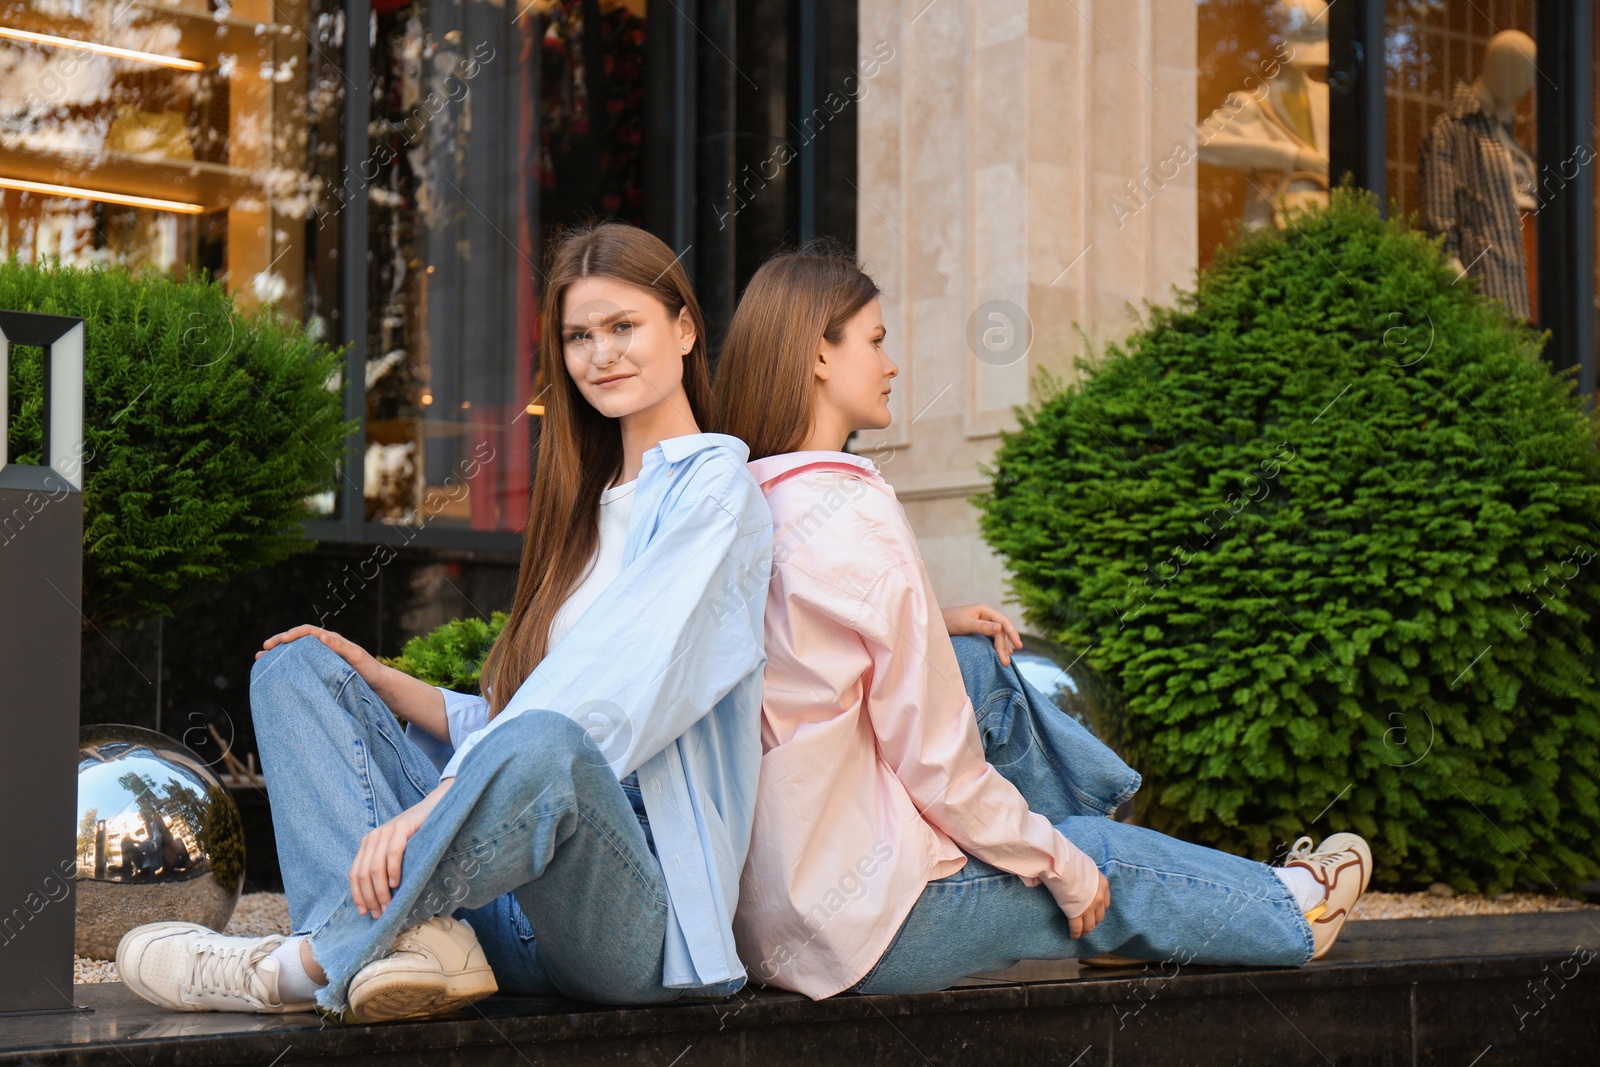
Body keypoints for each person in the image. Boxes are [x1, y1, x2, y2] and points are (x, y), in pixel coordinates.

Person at [115, 223, 773, 1021]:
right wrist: (385, 682)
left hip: (627, 917)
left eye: (623, 326)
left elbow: (609, 696)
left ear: (684, 327)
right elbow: (514, 715)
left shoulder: (717, 491)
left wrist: (444, 796)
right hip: (499, 903)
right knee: (295, 669)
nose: (602, 354)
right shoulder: (581, 512)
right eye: (578, 336)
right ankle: (413, 949)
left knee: (548, 745)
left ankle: (307, 963)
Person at [712, 249, 1372, 999]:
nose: (892, 363)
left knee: (975, 665)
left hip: (770, 912)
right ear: (819, 355)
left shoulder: (748, 499)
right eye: (875, 339)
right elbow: (932, 760)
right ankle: (1290, 908)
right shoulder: (858, 515)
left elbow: (812, 640)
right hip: (863, 928)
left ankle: (1121, 909)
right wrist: (1059, 860)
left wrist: (934, 619)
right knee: (1092, 857)